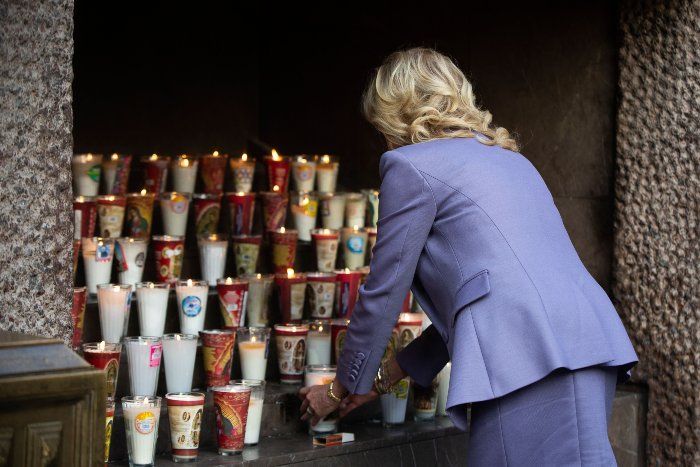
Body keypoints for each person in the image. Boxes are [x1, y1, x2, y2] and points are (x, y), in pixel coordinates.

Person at [299, 48, 637, 465]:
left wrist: (339, 388)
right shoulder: (510, 159)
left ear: (393, 113)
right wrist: (381, 379)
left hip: (526, 358)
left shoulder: (408, 166)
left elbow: (383, 292)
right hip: (583, 344)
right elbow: (480, 303)